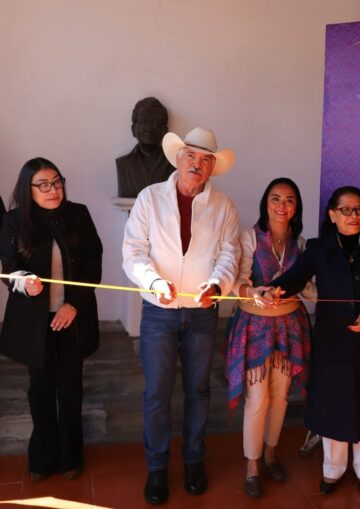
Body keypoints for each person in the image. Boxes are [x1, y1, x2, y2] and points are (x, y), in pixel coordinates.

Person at [122, 126, 240, 505]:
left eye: (206, 159)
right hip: (158, 312)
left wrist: (217, 285)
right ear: (178, 158)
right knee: (157, 393)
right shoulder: (149, 198)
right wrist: (153, 281)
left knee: (198, 391)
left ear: (212, 168)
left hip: (202, 314)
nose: (197, 164)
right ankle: (157, 468)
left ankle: (193, 461)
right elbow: (133, 252)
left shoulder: (224, 206)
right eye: (191, 155)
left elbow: (230, 253)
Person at [269, 185, 360, 497]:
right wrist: (274, 289)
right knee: (334, 404)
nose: (354, 216)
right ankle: (333, 469)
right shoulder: (319, 248)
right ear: (332, 215)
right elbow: (294, 278)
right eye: (346, 210)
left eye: (359, 209)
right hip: (333, 341)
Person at [0, 157, 102, 482]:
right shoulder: (14, 221)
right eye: (43, 185)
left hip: (72, 317)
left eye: (57, 182)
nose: (53, 190)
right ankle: (42, 457)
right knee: (40, 389)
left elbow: (93, 264)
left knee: (70, 388)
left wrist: (72, 305)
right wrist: (24, 283)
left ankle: (71, 456)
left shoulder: (79, 214)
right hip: (35, 322)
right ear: (27, 189)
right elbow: (8, 268)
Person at [225, 177, 314, 498]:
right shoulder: (250, 237)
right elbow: (237, 281)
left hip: (290, 327)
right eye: (275, 198)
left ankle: (271, 454)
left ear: (296, 208)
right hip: (255, 327)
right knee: (257, 398)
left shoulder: (301, 244)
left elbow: (308, 288)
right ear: (266, 203)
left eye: (289, 200)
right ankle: (252, 465)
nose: (281, 205)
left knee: (280, 396)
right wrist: (253, 292)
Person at [116, 97, 175, 198]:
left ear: (165, 130)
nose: (149, 128)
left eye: (155, 122)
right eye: (143, 122)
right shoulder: (123, 164)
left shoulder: (174, 163)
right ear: (133, 129)